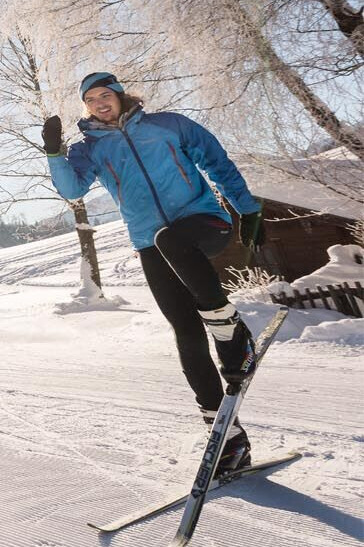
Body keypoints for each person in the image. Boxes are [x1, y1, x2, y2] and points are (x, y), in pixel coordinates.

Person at [43, 72, 265, 473]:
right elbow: (72, 190)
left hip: (203, 223)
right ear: (86, 107)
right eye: (90, 99)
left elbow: (216, 160)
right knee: (185, 331)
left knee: (172, 240)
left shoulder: (168, 125)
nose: (98, 103)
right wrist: (54, 153)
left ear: (119, 95)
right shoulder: (91, 149)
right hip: (151, 242)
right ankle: (227, 439)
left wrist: (246, 207)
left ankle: (233, 333)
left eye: (104, 95)